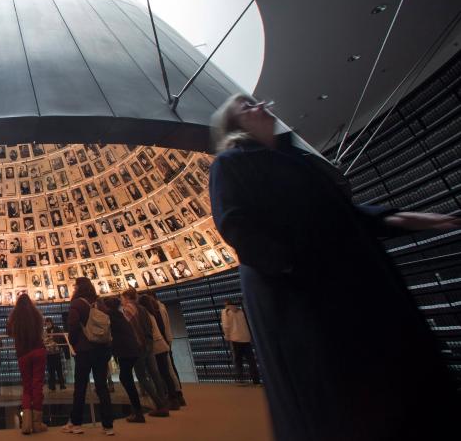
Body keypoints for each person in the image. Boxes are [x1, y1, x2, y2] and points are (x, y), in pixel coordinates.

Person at [209, 94, 461, 441]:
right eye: (247, 107)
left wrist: (399, 218)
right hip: (301, 297)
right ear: (234, 125)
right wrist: (292, 265)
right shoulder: (230, 164)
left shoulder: (295, 157)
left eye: (257, 101)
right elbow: (236, 225)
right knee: (336, 395)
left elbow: (341, 213)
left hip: (346, 283)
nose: (260, 107)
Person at [63, 277, 114, 435]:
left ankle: (76, 424)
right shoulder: (99, 302)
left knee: (80, 387)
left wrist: (73, 342)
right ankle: (108, 426)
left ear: (78, 287)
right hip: (102, 348)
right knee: (102, 386)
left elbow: (72, 325)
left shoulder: (77, 304)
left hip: (85, 350)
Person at [121, 288, 170, 416]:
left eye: (122, 298)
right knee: (155, 373)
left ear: (126, 297)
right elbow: (149, 326)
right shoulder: (143, 308)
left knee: (142, 376)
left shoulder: (127, 309)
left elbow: (129, 329)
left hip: (138, 346)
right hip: (149, 344)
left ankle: (159, 405)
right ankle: (163, 402)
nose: (121, 301)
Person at [7, 294, 47, 435]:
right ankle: (37, 423)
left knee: (27, 387)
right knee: (37, 385)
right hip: (38, 351)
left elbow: (9, 332)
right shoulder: (37, 315)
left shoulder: (14, 318)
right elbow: (41, 330)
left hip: (23, 354)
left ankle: (26, 424)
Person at [102, 297, 145, 423]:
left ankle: (138, 412)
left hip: (125, 351)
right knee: (126, 378)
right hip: (131, 350)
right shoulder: (120, 315)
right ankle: (137, 410)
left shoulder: (109, 315)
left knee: (126, 379)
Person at [138, 295, 183, 410]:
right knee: (165, 372)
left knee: (163, 373)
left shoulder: (147, 314)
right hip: (162, 344)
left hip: (157, 346)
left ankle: (172, 398)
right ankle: (174, 397)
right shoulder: (153, 313)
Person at [220, 299, 259, 385]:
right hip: (246, 338)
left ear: (226, 305)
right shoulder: (241, 311)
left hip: (235, 339)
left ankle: (240, 379)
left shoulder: (226, 312)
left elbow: (226, 325)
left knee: (238, 360)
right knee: (251, 360)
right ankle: (256, 380)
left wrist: (227, 336)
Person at [43, 318, 66, 391]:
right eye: (46, 323)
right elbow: (44, 340)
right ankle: (53, 386)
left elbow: (59, 338)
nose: (47, 324)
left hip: (55, 351)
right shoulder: (46, 331)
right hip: (49, 352)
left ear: (51, 322)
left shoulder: (56, 329)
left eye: (48, 322)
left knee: (58, 369)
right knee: (51, 370)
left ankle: (61, 385)